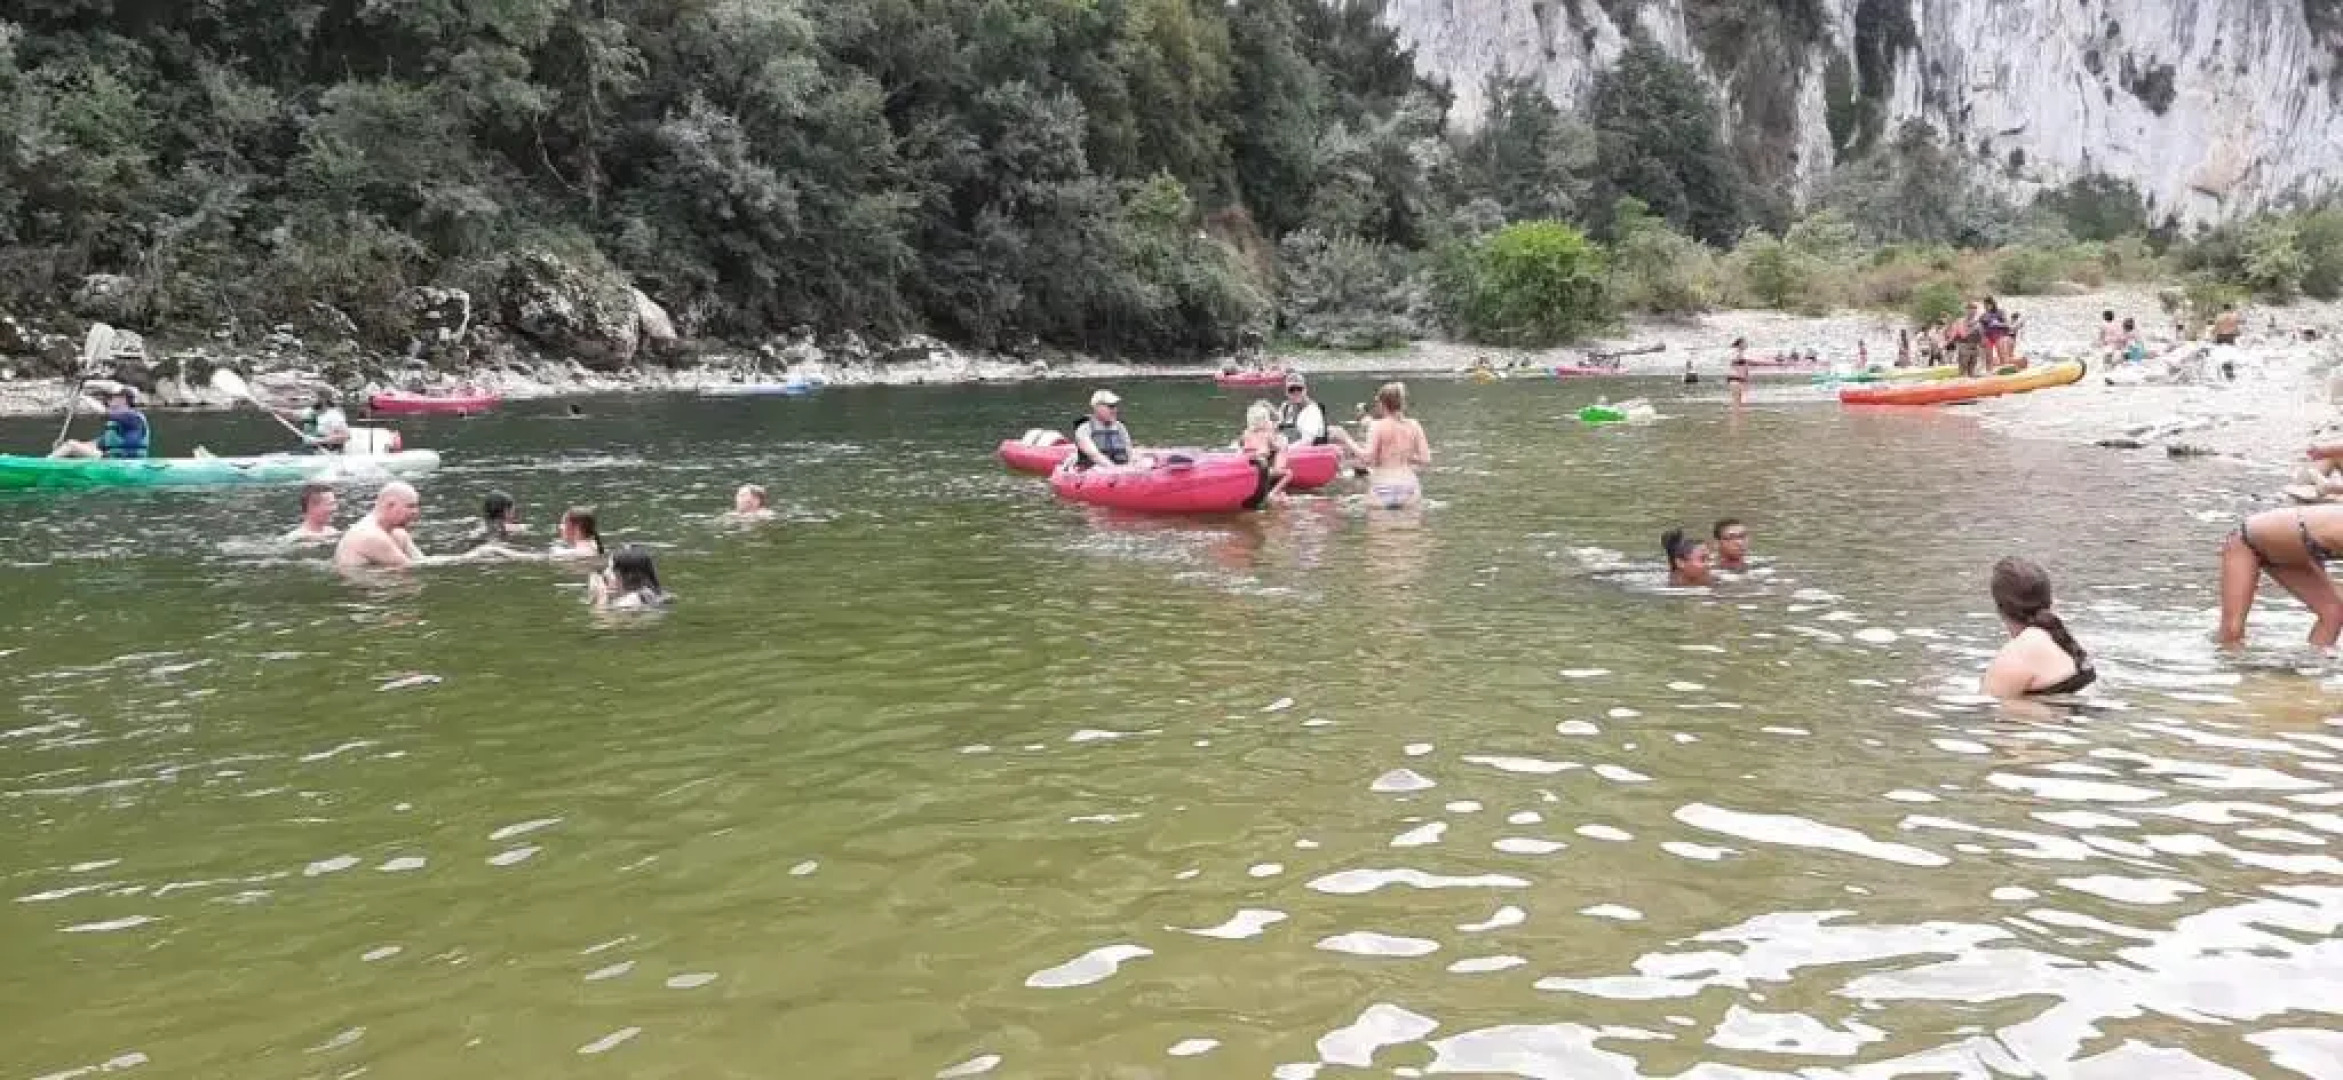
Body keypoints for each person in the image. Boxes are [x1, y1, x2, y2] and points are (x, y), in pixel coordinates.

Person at [2219, 504, 2343, 650]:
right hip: (2246, 544)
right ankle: (2226, 665)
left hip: (2293, 555)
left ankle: (2313, 666)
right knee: (2233, 629)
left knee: (2333, 612)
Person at [1980, 557, 2096, 697]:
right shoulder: (2063, 641)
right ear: (2050, 601)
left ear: (2000, 609)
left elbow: (1988, 709)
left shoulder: (2015, 656)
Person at [1353, 382, 1429, 509]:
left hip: (1382, 484)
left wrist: (1345, 438)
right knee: (1412, 528)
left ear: (1382, 404)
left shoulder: (1376, 425)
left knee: (1380, 527)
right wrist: (1407, 455)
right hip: (1408, 484)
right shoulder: (1414, 425)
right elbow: (1426, 460)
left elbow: (1367, 458)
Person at [333, 482, 427, 569]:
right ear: (390, 505)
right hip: (361, 586)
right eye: (410, 506)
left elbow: (422, 561)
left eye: (416, 506)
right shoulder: (371, 535)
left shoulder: (398, 533)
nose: (416, 512)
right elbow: (413, 569)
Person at [50, 386, 150, 460]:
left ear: (123, 399)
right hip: (115, 461)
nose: (108, 400)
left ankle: (45, 463)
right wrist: (63, 446)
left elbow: (102, 412)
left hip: (125, 462)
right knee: (70, 446)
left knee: (72, 445)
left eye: (111, 398)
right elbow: (95, 444)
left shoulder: (132, 416)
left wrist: (83, 397)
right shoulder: (116, 424)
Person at [1239, 400, 1291, 507]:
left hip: (1248, 466)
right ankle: (1272, 493)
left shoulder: (1246, 433)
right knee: (1288, 473)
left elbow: (1242, 446)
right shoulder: (1267, 434)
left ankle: (1272, 493)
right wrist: (1280, 446)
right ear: (1264, 421)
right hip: (1262, 469)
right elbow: (1276, 447)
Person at [589, 546, 670, 610]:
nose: (606, 572)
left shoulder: (631, 601)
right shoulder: (649, 593)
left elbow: (603, 625)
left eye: (611, 568)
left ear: (629, 576)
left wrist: (601, 597)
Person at [1071, 389, 1133, 469]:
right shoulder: (1083, 429)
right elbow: (1095, 455)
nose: (1115, 410)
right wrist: (1116, 470)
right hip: (1093, 471)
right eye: (1110, 406)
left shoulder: (1120, 427)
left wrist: (1132, 468)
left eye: (1115, 406)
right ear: (1097, 407)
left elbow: (1129, 453)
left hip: (1120, 468)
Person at [276, 391, 350, 453]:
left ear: (323, 399)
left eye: (313, 397)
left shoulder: (334, 415)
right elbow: (292, 414)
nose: (309, 400)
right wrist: (273, 409)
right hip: (310, 449)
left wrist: (318, 440)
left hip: (328, 451)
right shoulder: (309, 411)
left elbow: (345, 436)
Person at [1276, 374, 1329, 446]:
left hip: (1308, 451)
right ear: (1286, 392)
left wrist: (1285, 449)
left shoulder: (1313, 410)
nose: (1296, 392)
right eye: (1291, 390)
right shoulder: (1285, 407)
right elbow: (1278, 428)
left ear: (1305, 390)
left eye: (1299, 389)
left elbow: (1307, 441)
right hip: (1287, 446)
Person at [1726, 338, 1751, 406]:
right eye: (1745, 343)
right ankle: (1735, 415)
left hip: (1740, 378)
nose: (1747, 345)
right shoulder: (1735, 353)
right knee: (1736, 401)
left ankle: (1737, 415)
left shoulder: (1741, 353)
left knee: (1739, 401)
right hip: (1735, 378)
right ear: (1740, 344)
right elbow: (1733, 364)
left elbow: (1744, 368)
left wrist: (1746, 379)